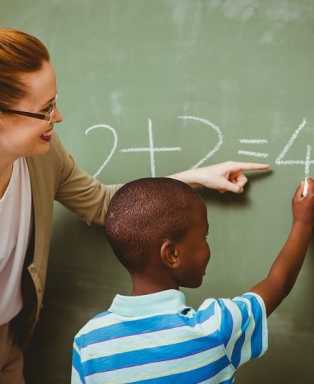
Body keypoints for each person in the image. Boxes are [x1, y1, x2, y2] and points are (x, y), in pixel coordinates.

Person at [0, 28, 269, 384]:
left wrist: (198, 177)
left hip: (9, 341)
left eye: (56, 100)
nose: (58, 116)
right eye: (45, 108)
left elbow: (102, 203)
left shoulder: (43, 157)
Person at [72, 177, 314, 384]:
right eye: (204, 237)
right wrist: (303, 223)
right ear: (172, 254)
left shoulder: (88, 342)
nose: (208, 248)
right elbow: (278, 284)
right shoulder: (215, 328)